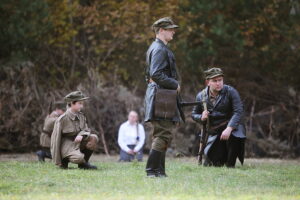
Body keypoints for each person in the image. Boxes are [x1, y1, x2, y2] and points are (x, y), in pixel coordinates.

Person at [144, 17, 184, 177]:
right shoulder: (159, 49)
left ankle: (159, 171)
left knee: (162, 134)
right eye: (170, 29)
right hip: (162, 97)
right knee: (163, 134)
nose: (173, 31)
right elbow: (155, 74)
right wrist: (175, 85)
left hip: (161, 96)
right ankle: (151, 170)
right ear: (161, 30)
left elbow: (148, 75)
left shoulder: (155, 47)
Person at [192, 68, 246, 167]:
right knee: (212, 164)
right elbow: (194, 114)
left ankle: (230, 164)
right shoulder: (201, 96)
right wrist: (201, 117)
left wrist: (229, 128)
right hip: (214, 132)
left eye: (220, 80)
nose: (218, 83)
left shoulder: (231, 92)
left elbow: (238, 111)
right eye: (215, 81)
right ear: (208, 82)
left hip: (232, 128)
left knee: (235, 135)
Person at [51, 91, 99, 169]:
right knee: (79, 158)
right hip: (66, 146)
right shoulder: (62, 119)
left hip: (78, 143)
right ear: (72, 103)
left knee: (94, 138)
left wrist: (81, 135)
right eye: (79, 103)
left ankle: (83, 164)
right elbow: (55, 140)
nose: (82, 106)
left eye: (82, 103)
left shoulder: (81, 116)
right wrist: (58, 161)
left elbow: (86, 130)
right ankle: (64, 161)